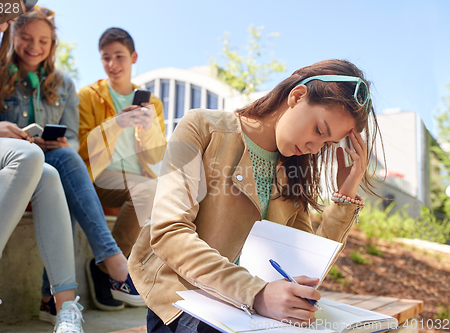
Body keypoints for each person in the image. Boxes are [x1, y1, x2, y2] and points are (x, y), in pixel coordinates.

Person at [128, 59, 384, 332]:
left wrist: (345, 196)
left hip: (255, 316)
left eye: (327, 143)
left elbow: (306, 269)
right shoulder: (202, 127)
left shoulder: (293, 173)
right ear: (296, 97)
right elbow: (170, 233)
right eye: (319, 130)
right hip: (186, 302)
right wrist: (257, 293)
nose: (314, 147)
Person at [0, 7, 137, 319]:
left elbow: (71, 140)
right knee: (60, 172)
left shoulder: (63, 85)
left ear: (52, 44)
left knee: (61, 169)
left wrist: (57, 144)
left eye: (43, 40)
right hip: (10, 162)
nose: (35, 46)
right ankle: (112, 262)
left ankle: (51, 299)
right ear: (14, 37)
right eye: (27, 38)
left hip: (52, 164)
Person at [0, 2, 84, 333]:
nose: (2, 25)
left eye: (9, 20)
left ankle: (66, 308)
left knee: (48, 174)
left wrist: (2, 132)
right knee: (27, 156)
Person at [78, 27, 166, 310]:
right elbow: (81, 149)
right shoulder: (88, 96)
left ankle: (104, 269)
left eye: (119, 57)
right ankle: (114, 269)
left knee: (163, 191)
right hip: (94, 179)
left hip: (136, 178)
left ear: (134, 57)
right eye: (106, 58)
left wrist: (148, 127)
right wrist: (116, 124)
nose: (113, 64)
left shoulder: (152, 103)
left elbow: (156, 156)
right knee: (147, 189)